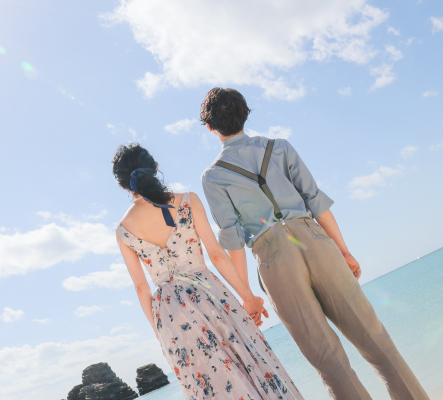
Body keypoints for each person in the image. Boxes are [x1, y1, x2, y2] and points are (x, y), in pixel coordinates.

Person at [199, 87, 429, 400]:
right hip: (316, 241)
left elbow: (233, 238)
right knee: (375, 339)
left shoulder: (213, 177)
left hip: (273, 257)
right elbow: (316, 201)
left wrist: (248, 294)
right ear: (245, 114)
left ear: (211, 128)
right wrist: (343, 251)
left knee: (329, 361)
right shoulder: (279, 147)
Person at [113, 143, 304, 400]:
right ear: (155, 168)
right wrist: (248, 297)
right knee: (251, 365)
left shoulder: (123, 230)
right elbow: (215, 253)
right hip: (209, 295)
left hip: (170, 315)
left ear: (123, 186)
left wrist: (161, 334)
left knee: (211, 386)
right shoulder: (187, 200)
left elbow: (141, 287)